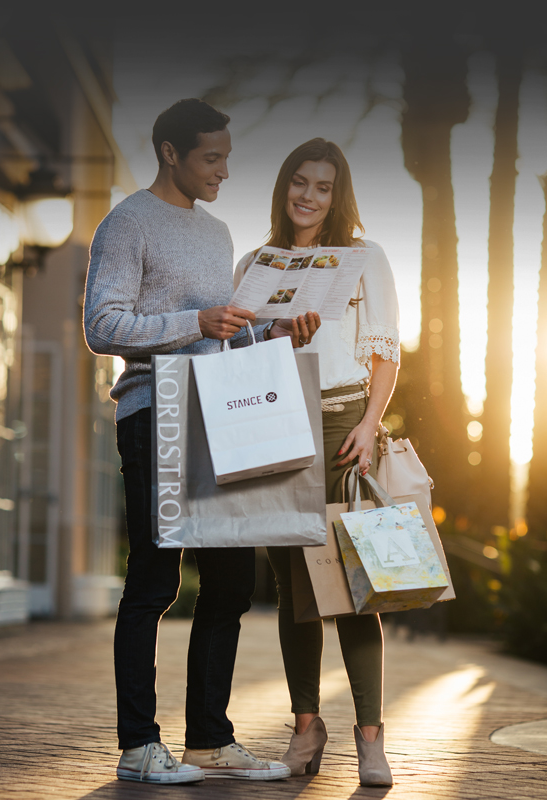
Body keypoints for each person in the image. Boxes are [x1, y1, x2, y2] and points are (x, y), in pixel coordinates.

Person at [83, 99, 319, 785]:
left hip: (221, 416)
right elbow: (103, 326)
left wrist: (270, 333)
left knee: (229, 581)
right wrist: (197, 319)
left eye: (226, 157)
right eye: (210, 158)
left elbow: (224, 331)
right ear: (169, 153)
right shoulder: (127, 223)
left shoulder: (217, 232)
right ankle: (137, 744)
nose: (223, 170)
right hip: (155, 412)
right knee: (155, 580)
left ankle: (211, 740)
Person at [234, 138, 400, 786]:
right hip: (275, 422)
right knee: (296, 592)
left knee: (358, 586)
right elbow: (232, 358)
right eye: (298, 183)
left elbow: (385, 353)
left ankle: (370, 736)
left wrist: (369, 423)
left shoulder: (365, 258)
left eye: (322, 186)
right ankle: (306, 727)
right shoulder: (257, 263)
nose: (308, 196)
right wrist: (271, 334)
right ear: (283, 188)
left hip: (341, 425)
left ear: (339, 195)